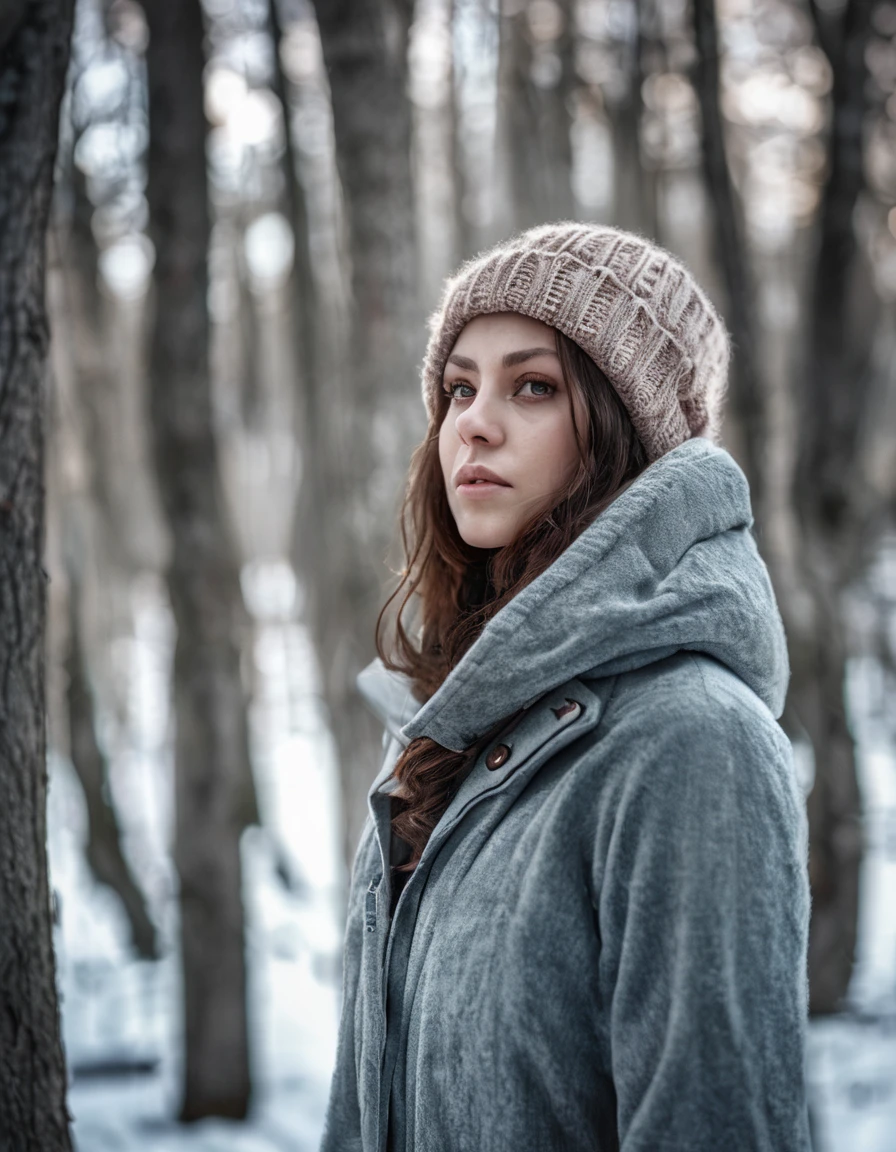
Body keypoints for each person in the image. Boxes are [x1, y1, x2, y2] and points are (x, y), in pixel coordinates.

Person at [320, 222, 812, 1152]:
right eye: (459, 387)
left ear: (624, 428)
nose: (473, 419)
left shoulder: (693, 742)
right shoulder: (440, 736)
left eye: (533, 385)